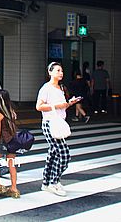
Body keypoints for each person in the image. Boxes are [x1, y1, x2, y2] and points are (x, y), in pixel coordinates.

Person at [36, 62, 80, 196]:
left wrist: (69, 103)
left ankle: (46, 183)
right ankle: (54, 182)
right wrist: (56, 106)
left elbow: (62, 106)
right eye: (58, 70)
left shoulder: (60, 88)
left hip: (58, 122)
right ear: (50, 72)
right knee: (64, 155)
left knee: (53, 154)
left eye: (61, 71)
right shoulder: (46, 88)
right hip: (49, 123)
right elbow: (39, 106)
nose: (61, 73)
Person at [0, 89, 20, 198]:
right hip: (12, 141)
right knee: (11, 164)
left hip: (1, 142)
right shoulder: (12, 112)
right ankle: (14, 188)